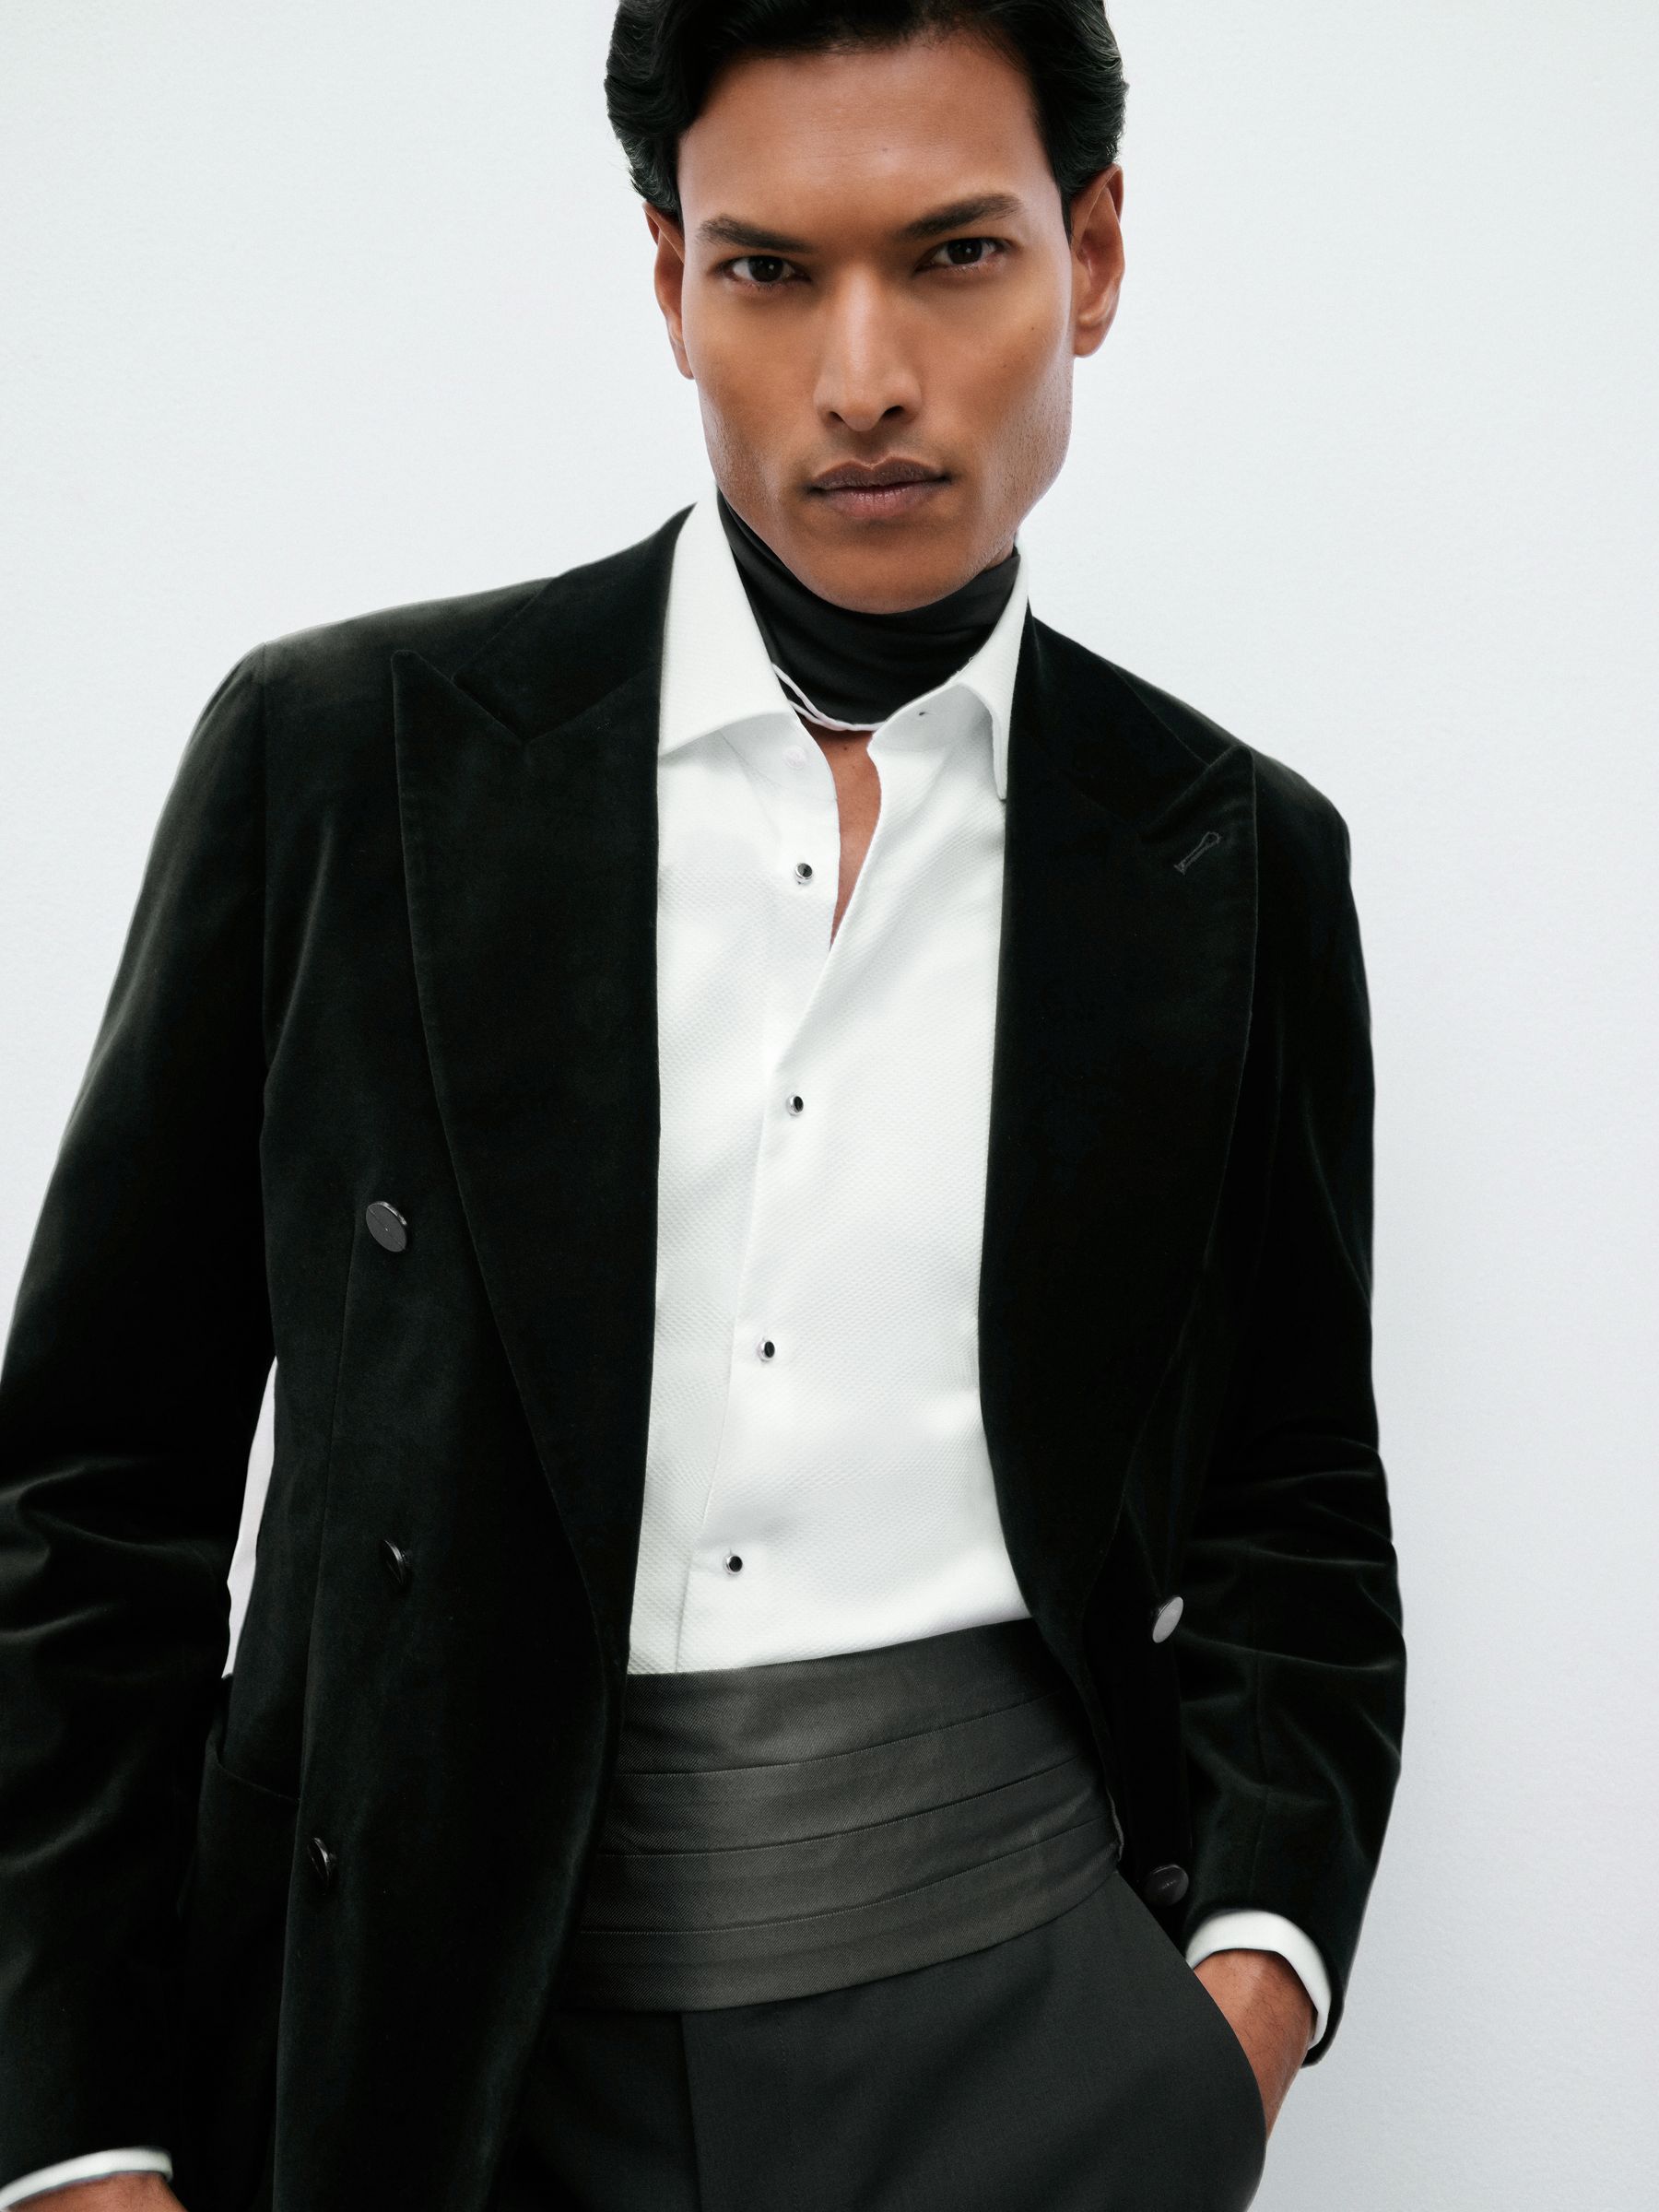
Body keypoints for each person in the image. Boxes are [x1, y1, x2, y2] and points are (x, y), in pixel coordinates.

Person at [0, 5, 1406, 2208]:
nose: (864, 376)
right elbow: (93, 1497)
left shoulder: (1233, 858)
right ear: (670, 280)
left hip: (1036, 2042)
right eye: (768, 270)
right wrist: (76, 2136)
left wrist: (1243, 1998)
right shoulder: (346, 762)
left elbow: (1295, 1498)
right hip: (438, 2052)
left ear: (1097, 257)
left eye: (955, 256)